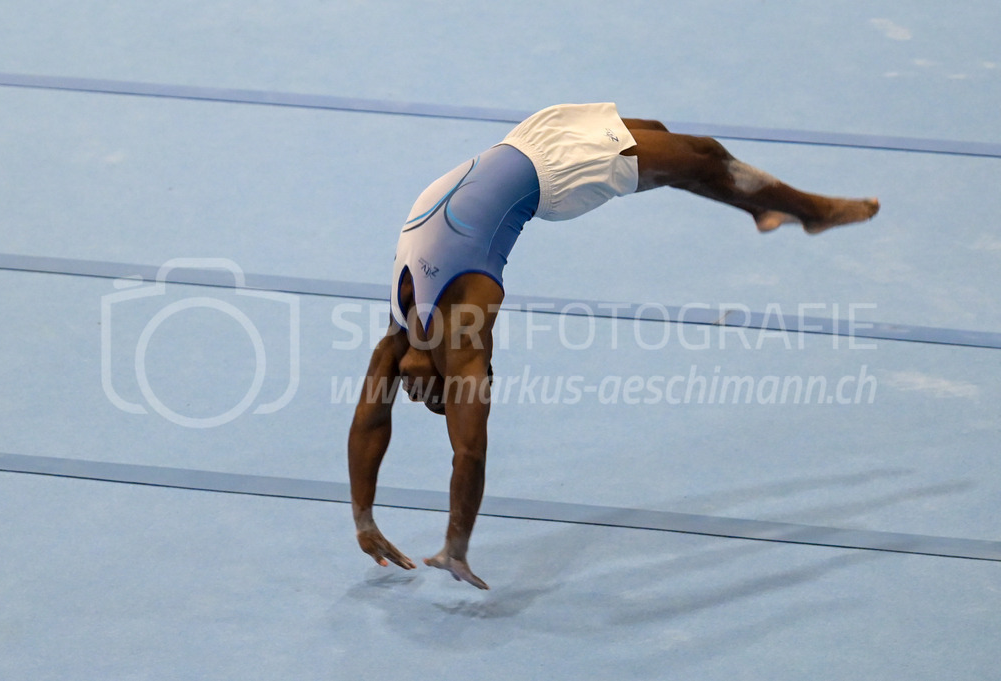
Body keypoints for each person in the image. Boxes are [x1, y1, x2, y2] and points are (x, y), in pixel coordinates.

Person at [347, 103, 879, 590]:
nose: (419, 387)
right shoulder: (455, 337)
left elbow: (400, 430)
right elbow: (450, 443)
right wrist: (447, 545)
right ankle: (812, 211)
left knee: (680, 144)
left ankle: (760, 209)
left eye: (424, 392)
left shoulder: (409, 339)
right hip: (552, 174)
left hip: (530, 143)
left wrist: (370, 519)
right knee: (697, 156)